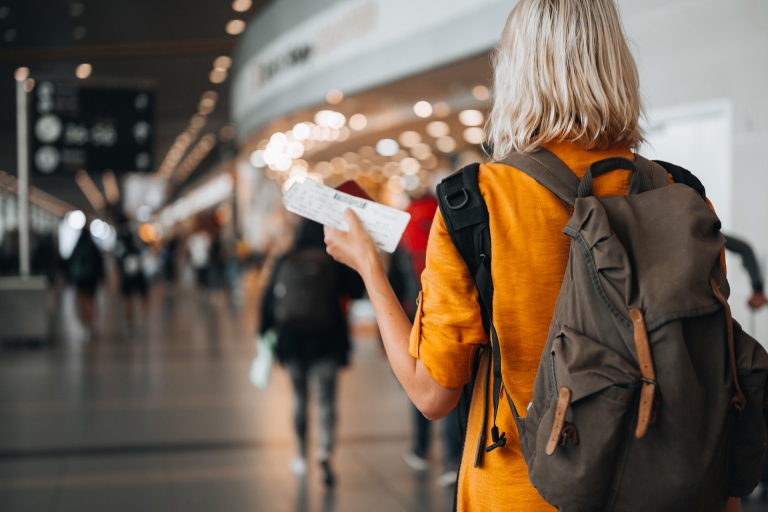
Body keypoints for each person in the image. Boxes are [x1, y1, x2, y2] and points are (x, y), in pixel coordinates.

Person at [322, 1, 741, 511]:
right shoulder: (681, 195)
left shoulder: (474, 202)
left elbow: (431, 395)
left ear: (516, 71)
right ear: (616, 65)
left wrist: (368, 265)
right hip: (673, 491)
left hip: (522, 494)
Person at [259, 220, 363, 488]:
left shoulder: (285, 259)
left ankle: (302, 457)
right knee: (326, 401)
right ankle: (324, 452)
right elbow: (357, 289)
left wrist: (264, 332)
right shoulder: (332, 260)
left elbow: (268, 299)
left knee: (299, 397)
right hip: (327, 339)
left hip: (293, 340)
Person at [389, 193, 462, 485]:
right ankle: (451, 460)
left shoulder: (403, 225)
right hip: (445, 312)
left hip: (410, 315)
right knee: (447, 384)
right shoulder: (447, 214)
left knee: (417, 382)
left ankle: (420, 449)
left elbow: (394, 278)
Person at [68, 225, 104, 339]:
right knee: (91, 300)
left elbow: (70, 263)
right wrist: (102, 277)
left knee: (82, 301)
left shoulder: (77, 246)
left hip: (80, 279)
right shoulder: (93, 246)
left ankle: (85, 324)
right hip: (92, 279)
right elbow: (100, 263)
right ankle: (91, 323)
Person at [724, 234, 768, 310]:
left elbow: (745, 249)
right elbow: (745, 249)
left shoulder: (707, 231)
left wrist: (758, 290)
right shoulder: (706, 231)